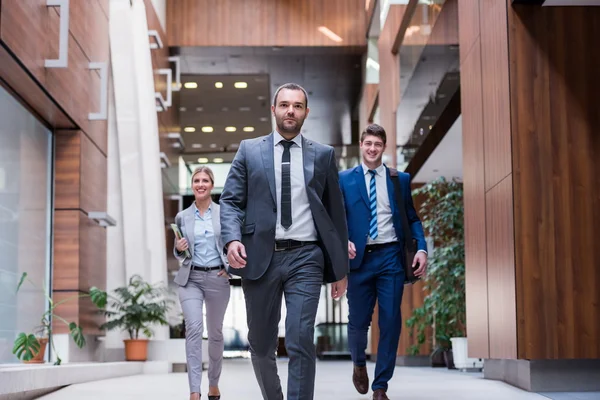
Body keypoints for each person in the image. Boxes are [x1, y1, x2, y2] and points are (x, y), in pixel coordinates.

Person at [220, 83, 349, 400]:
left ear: (306, 112)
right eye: (285, 105)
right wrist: (232, 240)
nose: (290, 110)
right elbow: (231, 202)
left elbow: (335, 215)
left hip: (306, 257)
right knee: (261, 343)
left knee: (300, 335)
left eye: (298, 105)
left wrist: (341, 269)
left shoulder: (323, 155)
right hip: (260, 257)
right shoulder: (249, 151)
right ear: (273, 109)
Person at [339, 124, 428, 400]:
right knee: (357, 323)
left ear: (384, 147)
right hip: (359, 261)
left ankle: (381, 387)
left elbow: (412, 218)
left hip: (391, 256)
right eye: (368, 144)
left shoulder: (398, 180)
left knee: (390, 321)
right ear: (361, 145)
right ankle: (358, 363)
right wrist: (343, 242)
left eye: (377, 144)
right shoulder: (344, 179)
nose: (372, 149)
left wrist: (422, 249)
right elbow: (336, 219)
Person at [173, 166, 231, 400]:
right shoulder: (182, 216)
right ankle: (194, 390)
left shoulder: (224, 213)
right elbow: (178, 251)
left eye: (205, 180)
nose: (200, 184)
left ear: (211, 185)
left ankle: (213, 383)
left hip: (218, 277)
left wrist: (230, 267)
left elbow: (233, 242)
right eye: (196, 180)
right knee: (194, 329)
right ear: (192, 185)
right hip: (190, 278)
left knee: (215, 333)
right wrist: (178, 249)